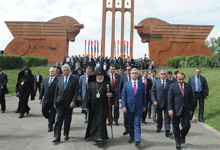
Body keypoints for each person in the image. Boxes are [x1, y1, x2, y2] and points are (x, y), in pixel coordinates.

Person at [82, 67, 112, 146]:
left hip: (103, 106)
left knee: (101, 122)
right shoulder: (91, 84)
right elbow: (87, 96)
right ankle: (94, 136)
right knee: (94, 122)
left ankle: (99, 138)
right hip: (93, 107)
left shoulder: (107, 84)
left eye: (101, 75)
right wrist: (85, 106)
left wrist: (110, 95)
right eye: (98, 76)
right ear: (95, 76)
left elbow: (113, 93)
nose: (99, 77)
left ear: (103, 76)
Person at [53, 64, 79, 143]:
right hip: (59, 102)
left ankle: (66, 133)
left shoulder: (74, 79)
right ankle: (57, 136)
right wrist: (55, 102)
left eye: (66, 70)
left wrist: (74, 101)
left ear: (69, 71)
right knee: (59, 119)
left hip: (69, 103)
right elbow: (56, 92)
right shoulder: (59, 79)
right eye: (64, 70)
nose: (65, 72)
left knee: (67, 119)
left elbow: (76, 92)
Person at [168, 72, 193, 150]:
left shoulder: (188, 86)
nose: (181, 81)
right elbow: (170, 99)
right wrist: (170, 109)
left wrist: (191, 109)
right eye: (179, 79)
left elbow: (191, 99)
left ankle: (182, 135)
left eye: (182, 79)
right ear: (176, 78)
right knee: (175, 126)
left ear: (184, 78)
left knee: (187, 125)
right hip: (175, 110)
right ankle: (178, 142)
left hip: (185, 109)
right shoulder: (172, 86)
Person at [122, 68, 146, 148]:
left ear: (138, 75)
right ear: (130, 74)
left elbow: (144, 96)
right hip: (129, 107)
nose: (134, 74)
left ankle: (138, 140)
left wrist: (144, 105)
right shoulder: (126, 84)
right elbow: (123, 96)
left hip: (138, 107)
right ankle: (132, 137)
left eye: (136, 73)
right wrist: (124, 106)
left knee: (137, 124)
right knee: (130, 124)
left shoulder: (141, 84)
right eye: (133, 73)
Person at [151, 70, 173, 137]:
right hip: (158, 102)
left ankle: (167, 130)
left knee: (167, 117)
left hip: (167, 102)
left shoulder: (170, 82)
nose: (163, 75)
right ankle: (159, 127)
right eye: (162, 74)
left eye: (164, 74)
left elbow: (172, 92)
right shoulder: (156, 82)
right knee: (159, 116)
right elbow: (153, 92)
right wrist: (154, 100)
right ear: (159, 75)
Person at [39, 67, 57, 132]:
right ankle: (51, 119)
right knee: (44, 111)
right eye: (50, 71)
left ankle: (50, 125)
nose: (51, 73)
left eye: (52, 71)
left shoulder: (58, 80)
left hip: (53, 100)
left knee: (52, 113)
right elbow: (42, 89)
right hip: (45, 100)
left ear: (55, 72)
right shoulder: (46, 80)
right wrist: (40, 98)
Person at [119, 65, 132, 135]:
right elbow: (120, 88)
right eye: (127, 69)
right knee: (125, 114)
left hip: (133, 99)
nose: (128, 71)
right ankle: (126, 128)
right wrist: (120, 98)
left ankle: (131, 128)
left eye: (129, 69)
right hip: (125, 99)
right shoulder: (123, 77)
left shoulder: (135, 78)